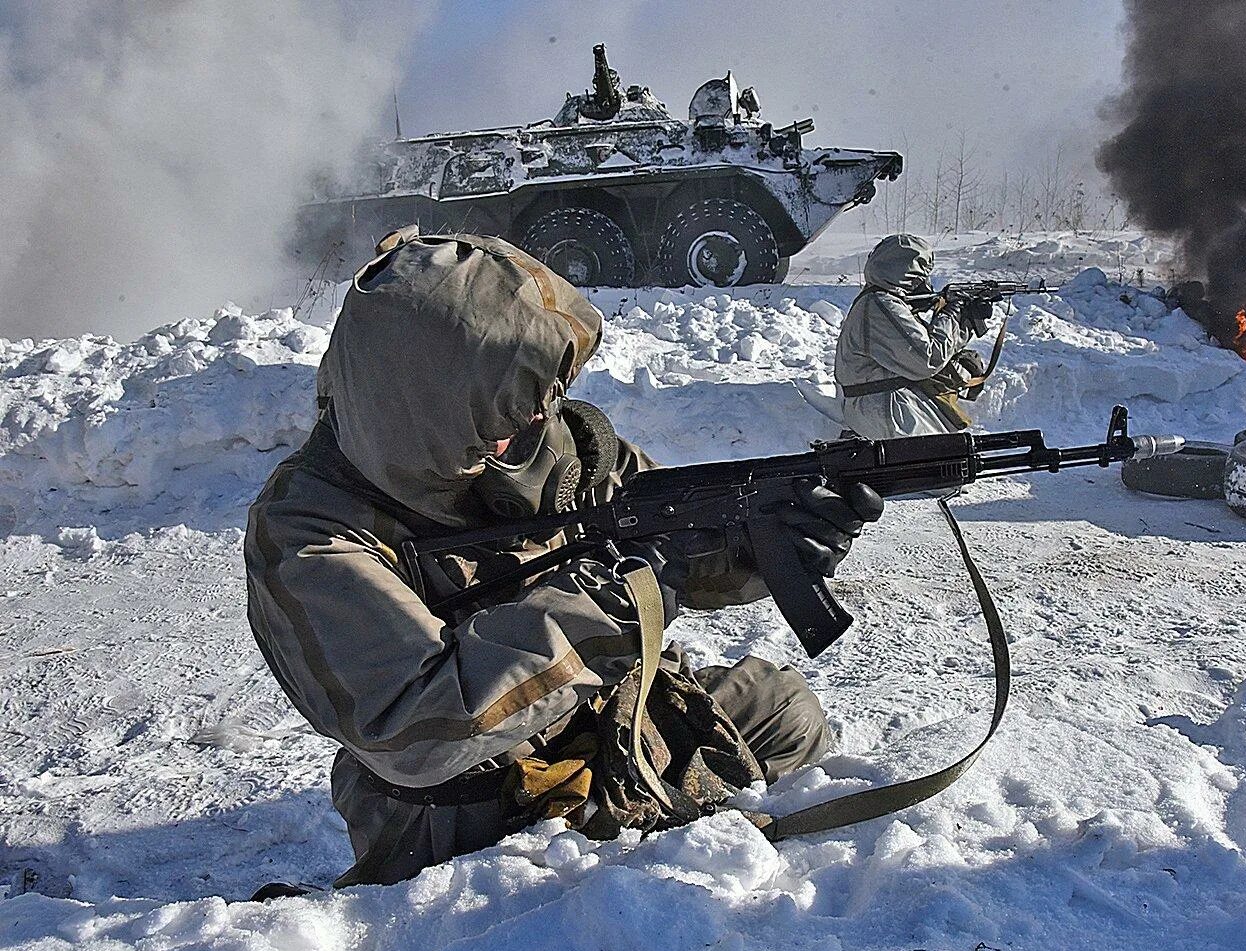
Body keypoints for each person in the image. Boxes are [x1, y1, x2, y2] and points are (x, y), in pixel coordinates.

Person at [245, 230, 882, 887]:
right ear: (425, 399)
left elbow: (675, 539)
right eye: (505, 409)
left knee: (785, 711)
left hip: (597, 717)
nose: (533, 422)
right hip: (466, 801)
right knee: (562, 909)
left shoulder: (540, 438)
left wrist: (772, 538)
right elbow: (418, 725)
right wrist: (613, 604)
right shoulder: (308, 534)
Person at [835, 234, 994, 438]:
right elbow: (927, 359)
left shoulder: (880, 301)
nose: (925, 283)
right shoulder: (880, 304)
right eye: (921, 275)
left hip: (885, 404)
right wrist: (951, 315)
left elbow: (929, 347)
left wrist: (964, 322)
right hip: (888, 410)